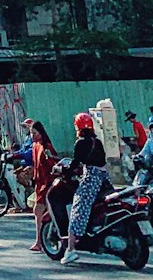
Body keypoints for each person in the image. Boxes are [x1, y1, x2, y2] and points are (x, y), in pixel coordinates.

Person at [58, 112, 109, 266]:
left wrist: (65, 169)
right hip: (104, 178)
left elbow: (76, 162)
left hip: (91, 179)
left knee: (78, 210)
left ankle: (71, 249)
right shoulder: (97, 141)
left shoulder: (80, 143)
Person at [28, 121, 57, 252]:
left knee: (38, 211)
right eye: (31, 133)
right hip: (39, 183)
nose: (32, 136)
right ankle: (40, 240)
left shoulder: (46, 147)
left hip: (48, 183)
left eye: (34, 133)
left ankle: (39, 241)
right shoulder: (35, 146)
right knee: (40, 211)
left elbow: (52, 164)